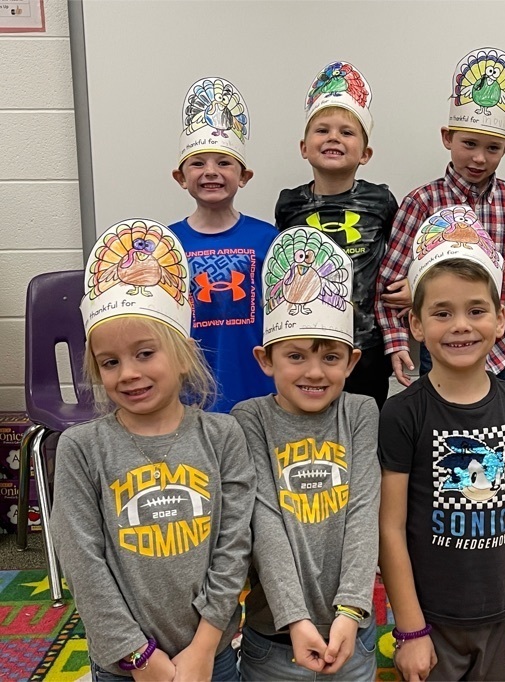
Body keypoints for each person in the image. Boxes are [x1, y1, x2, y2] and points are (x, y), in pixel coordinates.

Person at [51, 219, 254, 681]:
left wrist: (204, 647)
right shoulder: (82, 448)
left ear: (183, 355)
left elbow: (234, 547)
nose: (128, 373)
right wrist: (138, 657)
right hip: (125, 665)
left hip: (212, 655)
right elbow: (82, 563)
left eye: (145, 353)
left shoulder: (223, 436)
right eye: (110, 362)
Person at [378, 211, 505, 681]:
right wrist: (411, 629)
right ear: (416, 324)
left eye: (476, 311)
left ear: (501, 320)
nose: (461, 325)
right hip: (430, 622)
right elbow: (390, 528)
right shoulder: (401, 414)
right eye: (442, 313)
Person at [231, 226, 381, 680]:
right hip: (274, 639)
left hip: (352, 634)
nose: (314, 372)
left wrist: (350, 609)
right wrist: (295, 618)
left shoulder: (360, 412)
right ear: (265, 359)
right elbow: (264, 521)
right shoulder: (250, 419)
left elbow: (363, 512)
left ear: (352, 362)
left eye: (331, 358)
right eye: (295, 357)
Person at [375, 46, 505, 388]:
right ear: (447, 137)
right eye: (469, 144)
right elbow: (389, 286)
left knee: (504, 420)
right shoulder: (423, 202)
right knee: (442, 417)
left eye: (492, 148)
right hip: (442, 345)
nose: (479, 158)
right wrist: (396, 341)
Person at [275, 60, 398, 408]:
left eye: (346, 132)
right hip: (306, 340)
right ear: (304, 147)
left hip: (366, 343)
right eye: (322, 130)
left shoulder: (381, 200)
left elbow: (401, 253)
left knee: (364, 421)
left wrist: (409, 284)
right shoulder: (289, 204)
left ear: (365, 154)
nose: (333, 137)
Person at [171, 76, 277, 412]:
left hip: (257, 385)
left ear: (244, 176)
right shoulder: (167, 245)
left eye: (224, 163)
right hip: (192, 392)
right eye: (198, 163)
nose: (211, 172)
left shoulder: (266, 238)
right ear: (181, 177)